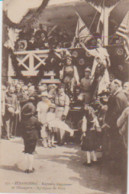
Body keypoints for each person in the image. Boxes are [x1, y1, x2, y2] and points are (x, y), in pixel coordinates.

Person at [105, 79, 128, 161]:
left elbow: (116, 113)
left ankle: (114, 165)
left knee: (115, 144)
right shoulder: (120, 95)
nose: (110, 87)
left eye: (111, 85)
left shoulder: (118, 96)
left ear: (117, 86)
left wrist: (108, 123)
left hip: (116, 125)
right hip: (118, 124)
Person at [19, 100, 42, 173]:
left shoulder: (23, 120)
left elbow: (21, 129)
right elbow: (39, 127)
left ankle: (26, 167)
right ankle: (30, 168)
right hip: (33, 137)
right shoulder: (34, 119)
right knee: (31, 152)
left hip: (26, 137)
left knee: (27, 151)